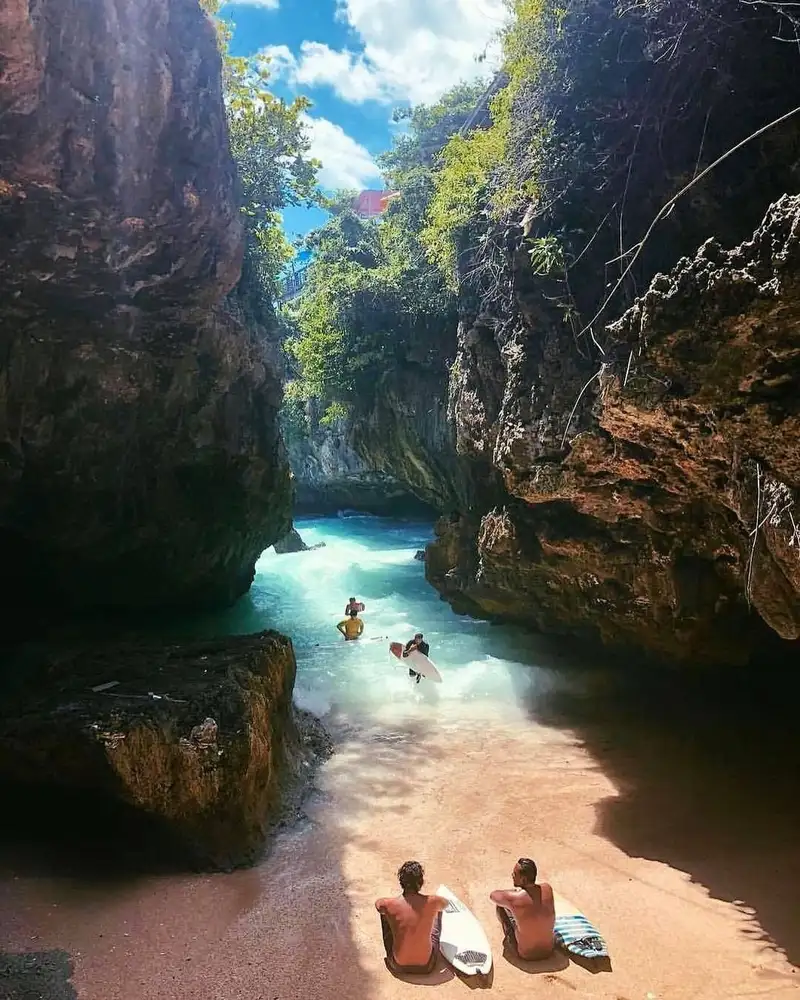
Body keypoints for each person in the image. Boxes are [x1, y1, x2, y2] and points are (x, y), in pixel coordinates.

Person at [375, 861, 447, 975]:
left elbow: (378, 905)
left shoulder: (388, 904)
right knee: (438, 912)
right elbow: (445, 904)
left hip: (398, 965)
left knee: (385, 914)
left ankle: (398, 948)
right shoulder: (433, 901)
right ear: (420, 882)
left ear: (401, 882)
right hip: (427, 966)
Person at [489, 858, 555, 960]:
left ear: (523, 880)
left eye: (514, 874)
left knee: (501, 906)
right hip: (549, 951)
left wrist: (515, 892)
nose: (512, 876)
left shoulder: (514, 898)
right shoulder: (547, 888)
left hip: (526, 955)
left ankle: (511, 941)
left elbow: (493, 895)